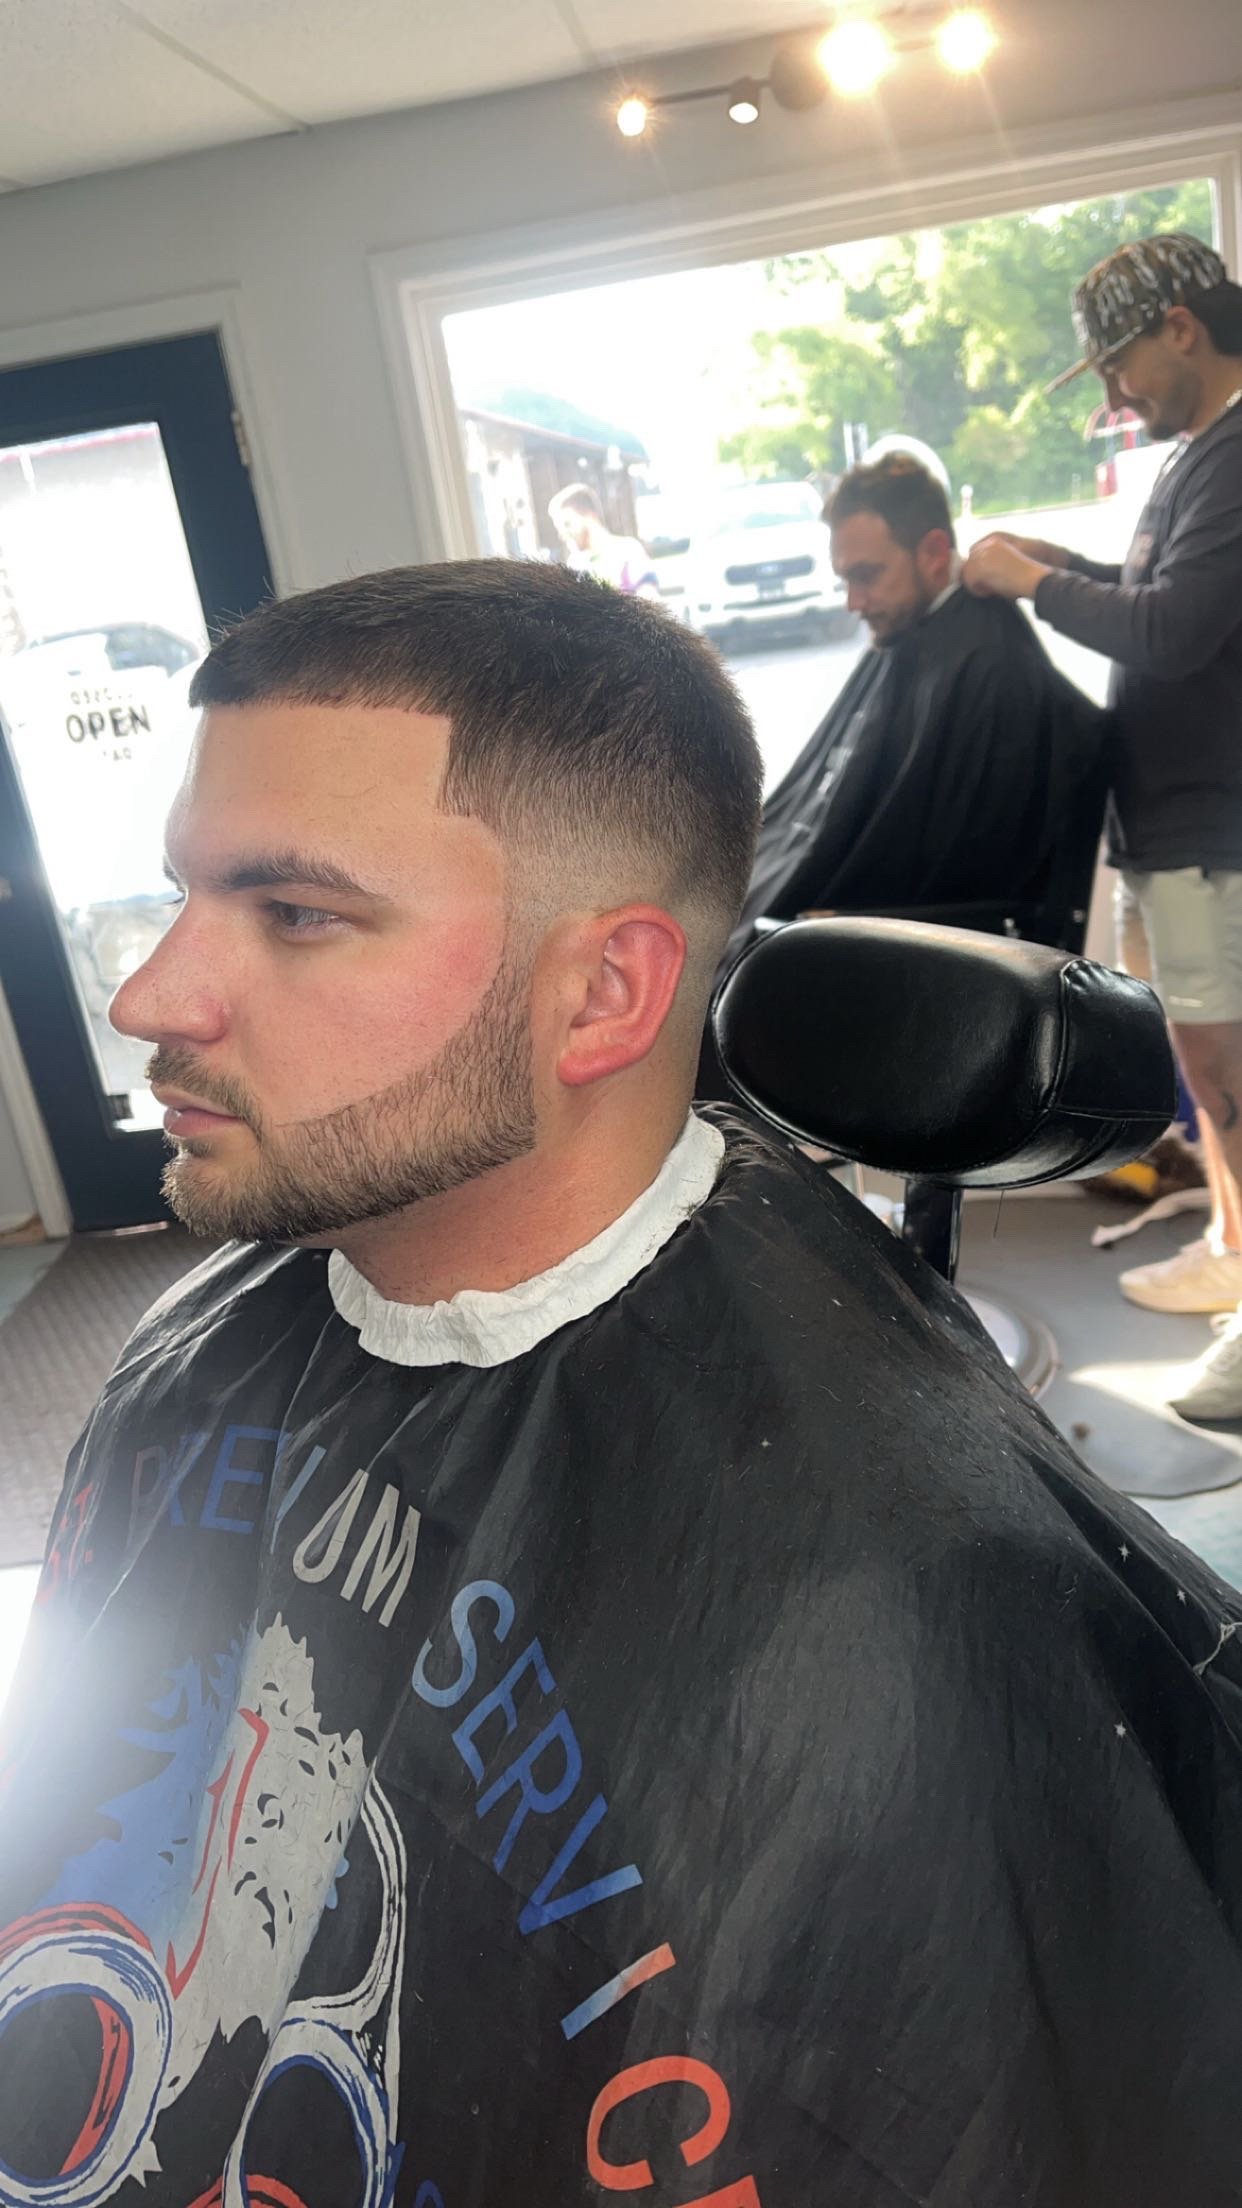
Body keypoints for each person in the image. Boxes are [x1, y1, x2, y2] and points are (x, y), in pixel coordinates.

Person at [2, 559, 1242, 2208]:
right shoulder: (204, 1333)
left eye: (293, 912)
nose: (148, 995)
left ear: (599, 993)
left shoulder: (886, 1610)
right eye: (183, 892)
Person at [963, 234, 1242, 1416]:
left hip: (1216, 836)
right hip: (1177, 830)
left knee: (1230, 1077)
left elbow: (1172, 631)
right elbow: (1156, 596)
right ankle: (1235, 1251)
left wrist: (1032, 585)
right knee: (1210, 1075)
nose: (1116, 393)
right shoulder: (1199, 459)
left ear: (1181, 324)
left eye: (1119, 364)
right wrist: (1057, 557)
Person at [720, 455, 1105, 974]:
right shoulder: (908, 636)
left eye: (867, 576)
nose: (854, 603)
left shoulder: (992, 672)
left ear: (933, 551)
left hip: (886, 947)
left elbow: (958, 874)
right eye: (844, 581)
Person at [548, 480, 660, 597]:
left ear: (589, 515)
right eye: (560, 529)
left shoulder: (628, 550)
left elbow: (650, 600)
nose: (563, 534)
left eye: (567, 524)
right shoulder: (575, 564)